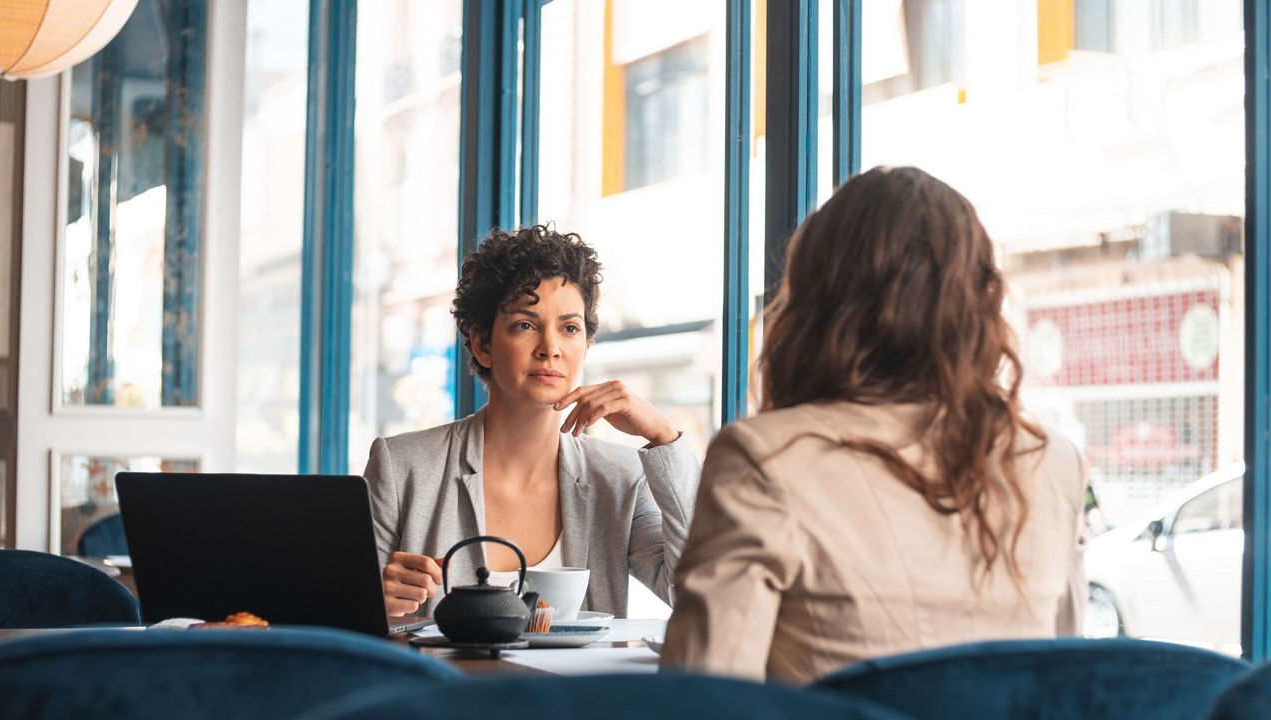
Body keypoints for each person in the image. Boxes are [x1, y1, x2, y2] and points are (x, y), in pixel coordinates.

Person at [659, 166, 1087, 684]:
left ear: (818, 300)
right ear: (976, 305)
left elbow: (705, 699)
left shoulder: (764, 458)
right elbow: (1066, 678)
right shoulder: (1052, 463)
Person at [365, 225, 700, 618]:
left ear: (586, 346)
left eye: (569, 328)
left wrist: (663, 438)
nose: (550, 349)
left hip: (575, 683)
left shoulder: (620, 477)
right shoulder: (402, 465)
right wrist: (371, 601)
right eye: (525, 324)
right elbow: (342, 620)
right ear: (482, 343)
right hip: (445, 680)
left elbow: (699, 594)